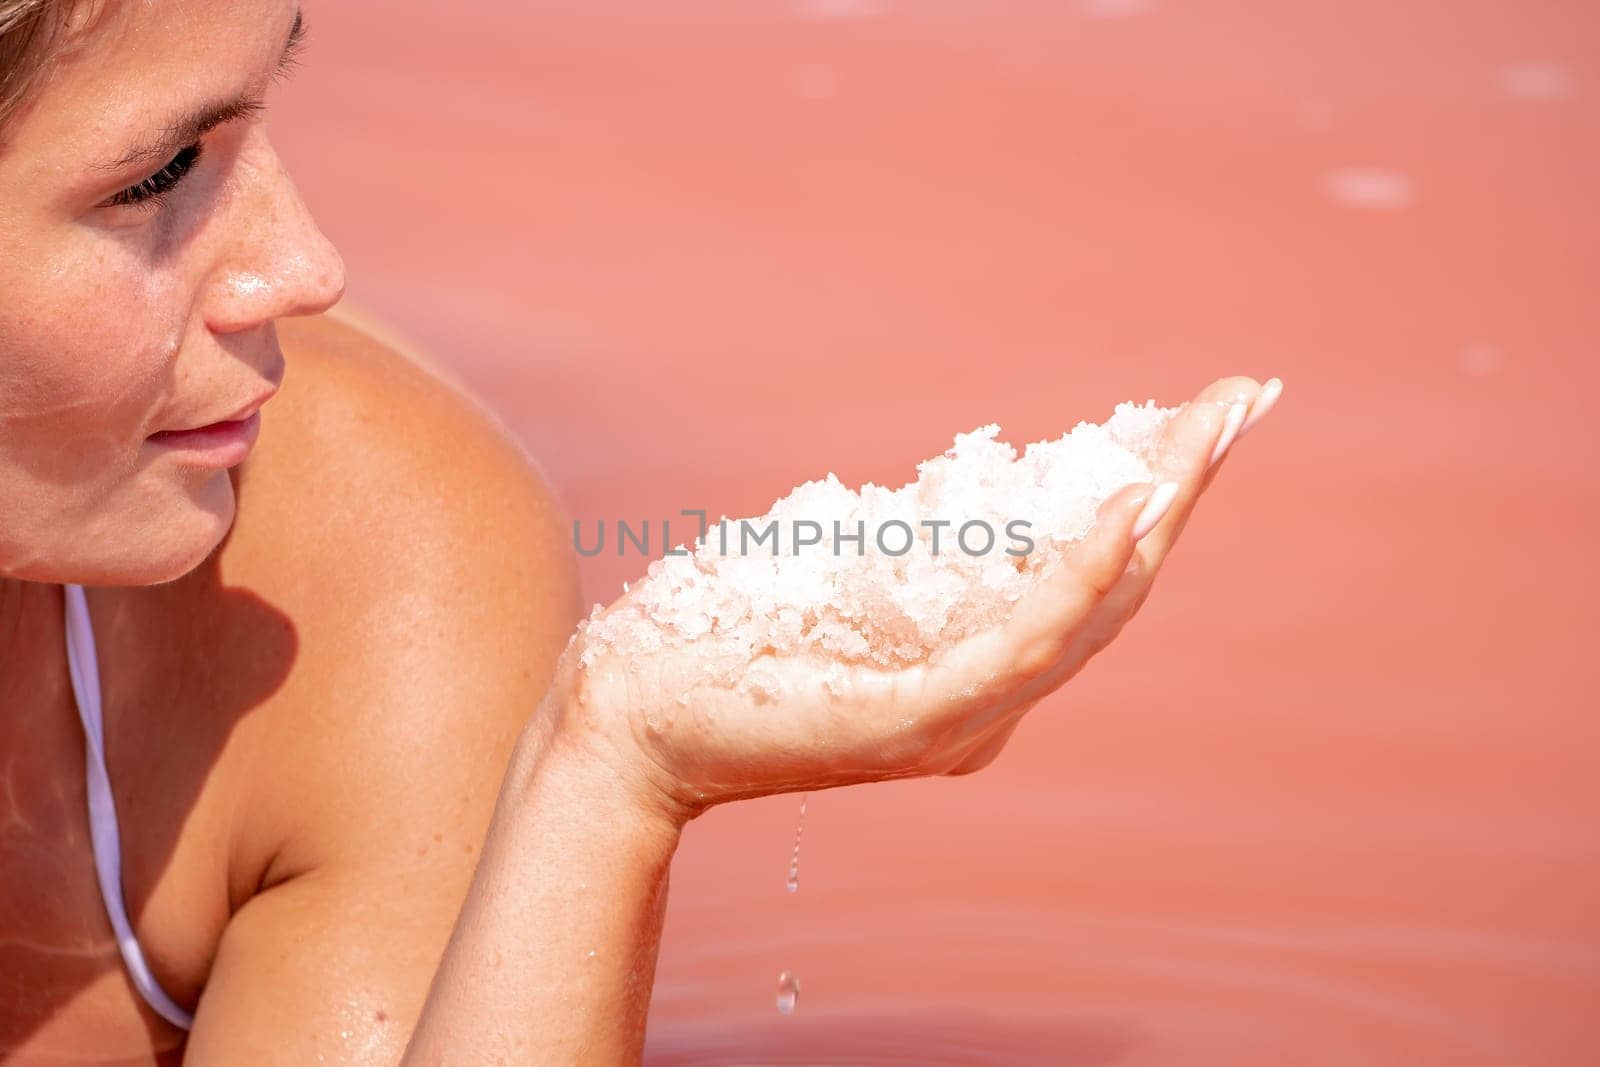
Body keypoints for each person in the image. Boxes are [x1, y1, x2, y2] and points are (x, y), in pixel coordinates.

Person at [0, 1, 1281, 1062]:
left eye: (261, 111)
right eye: (159, 177)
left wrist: (608, 773)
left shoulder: (361, 566)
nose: (306, 264)